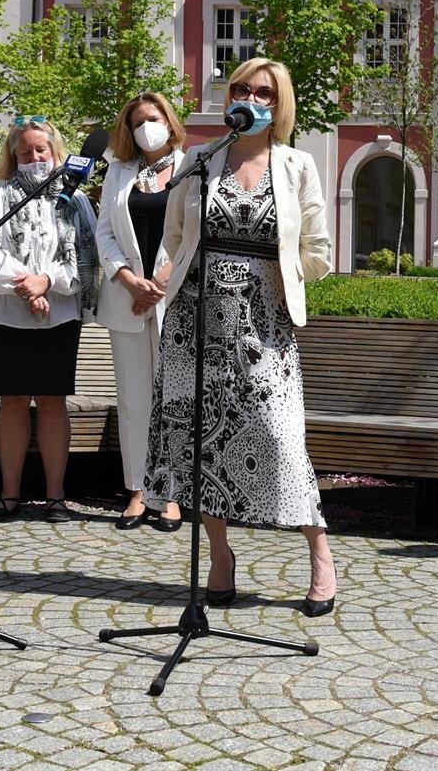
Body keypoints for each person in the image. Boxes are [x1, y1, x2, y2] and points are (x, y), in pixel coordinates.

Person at [143, 57, 337, 616]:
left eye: (264, 93)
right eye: (241, 89)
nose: (250, 98)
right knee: (201, 441)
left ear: (279, 105)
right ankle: (220, 556)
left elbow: (319, 249)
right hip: (192, 320)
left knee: (279, 438)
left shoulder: (297, 164)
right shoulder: (201, 160)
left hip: (263, 321)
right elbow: (176, 234)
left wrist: (284, 274)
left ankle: (319, 551)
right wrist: (163, 276)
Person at [0, 117, 99, 524]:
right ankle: (9, 494)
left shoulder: (75, 201)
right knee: (14, 400)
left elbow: (85, 257)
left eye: (41, 150)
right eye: (26, 152)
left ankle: (55, 496)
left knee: (54, 402)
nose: (35, 158)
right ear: (14, 157)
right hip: (7, 313)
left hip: (59, 313)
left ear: (57, 153)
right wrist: (25, 287)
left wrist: (48, 283)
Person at [94, 93, 186, 531]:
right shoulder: (118, 171)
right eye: (137, 122)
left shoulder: (193, 166)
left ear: (169, 121)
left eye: (154, 118)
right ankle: (136, 490)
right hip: (127, 298)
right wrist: (130, 279)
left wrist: (162, 281)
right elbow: (104, 232)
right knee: (133, 400)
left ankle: (170, 494)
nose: (147, 127)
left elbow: (195, 232)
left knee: (174, 399)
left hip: (175, 298)